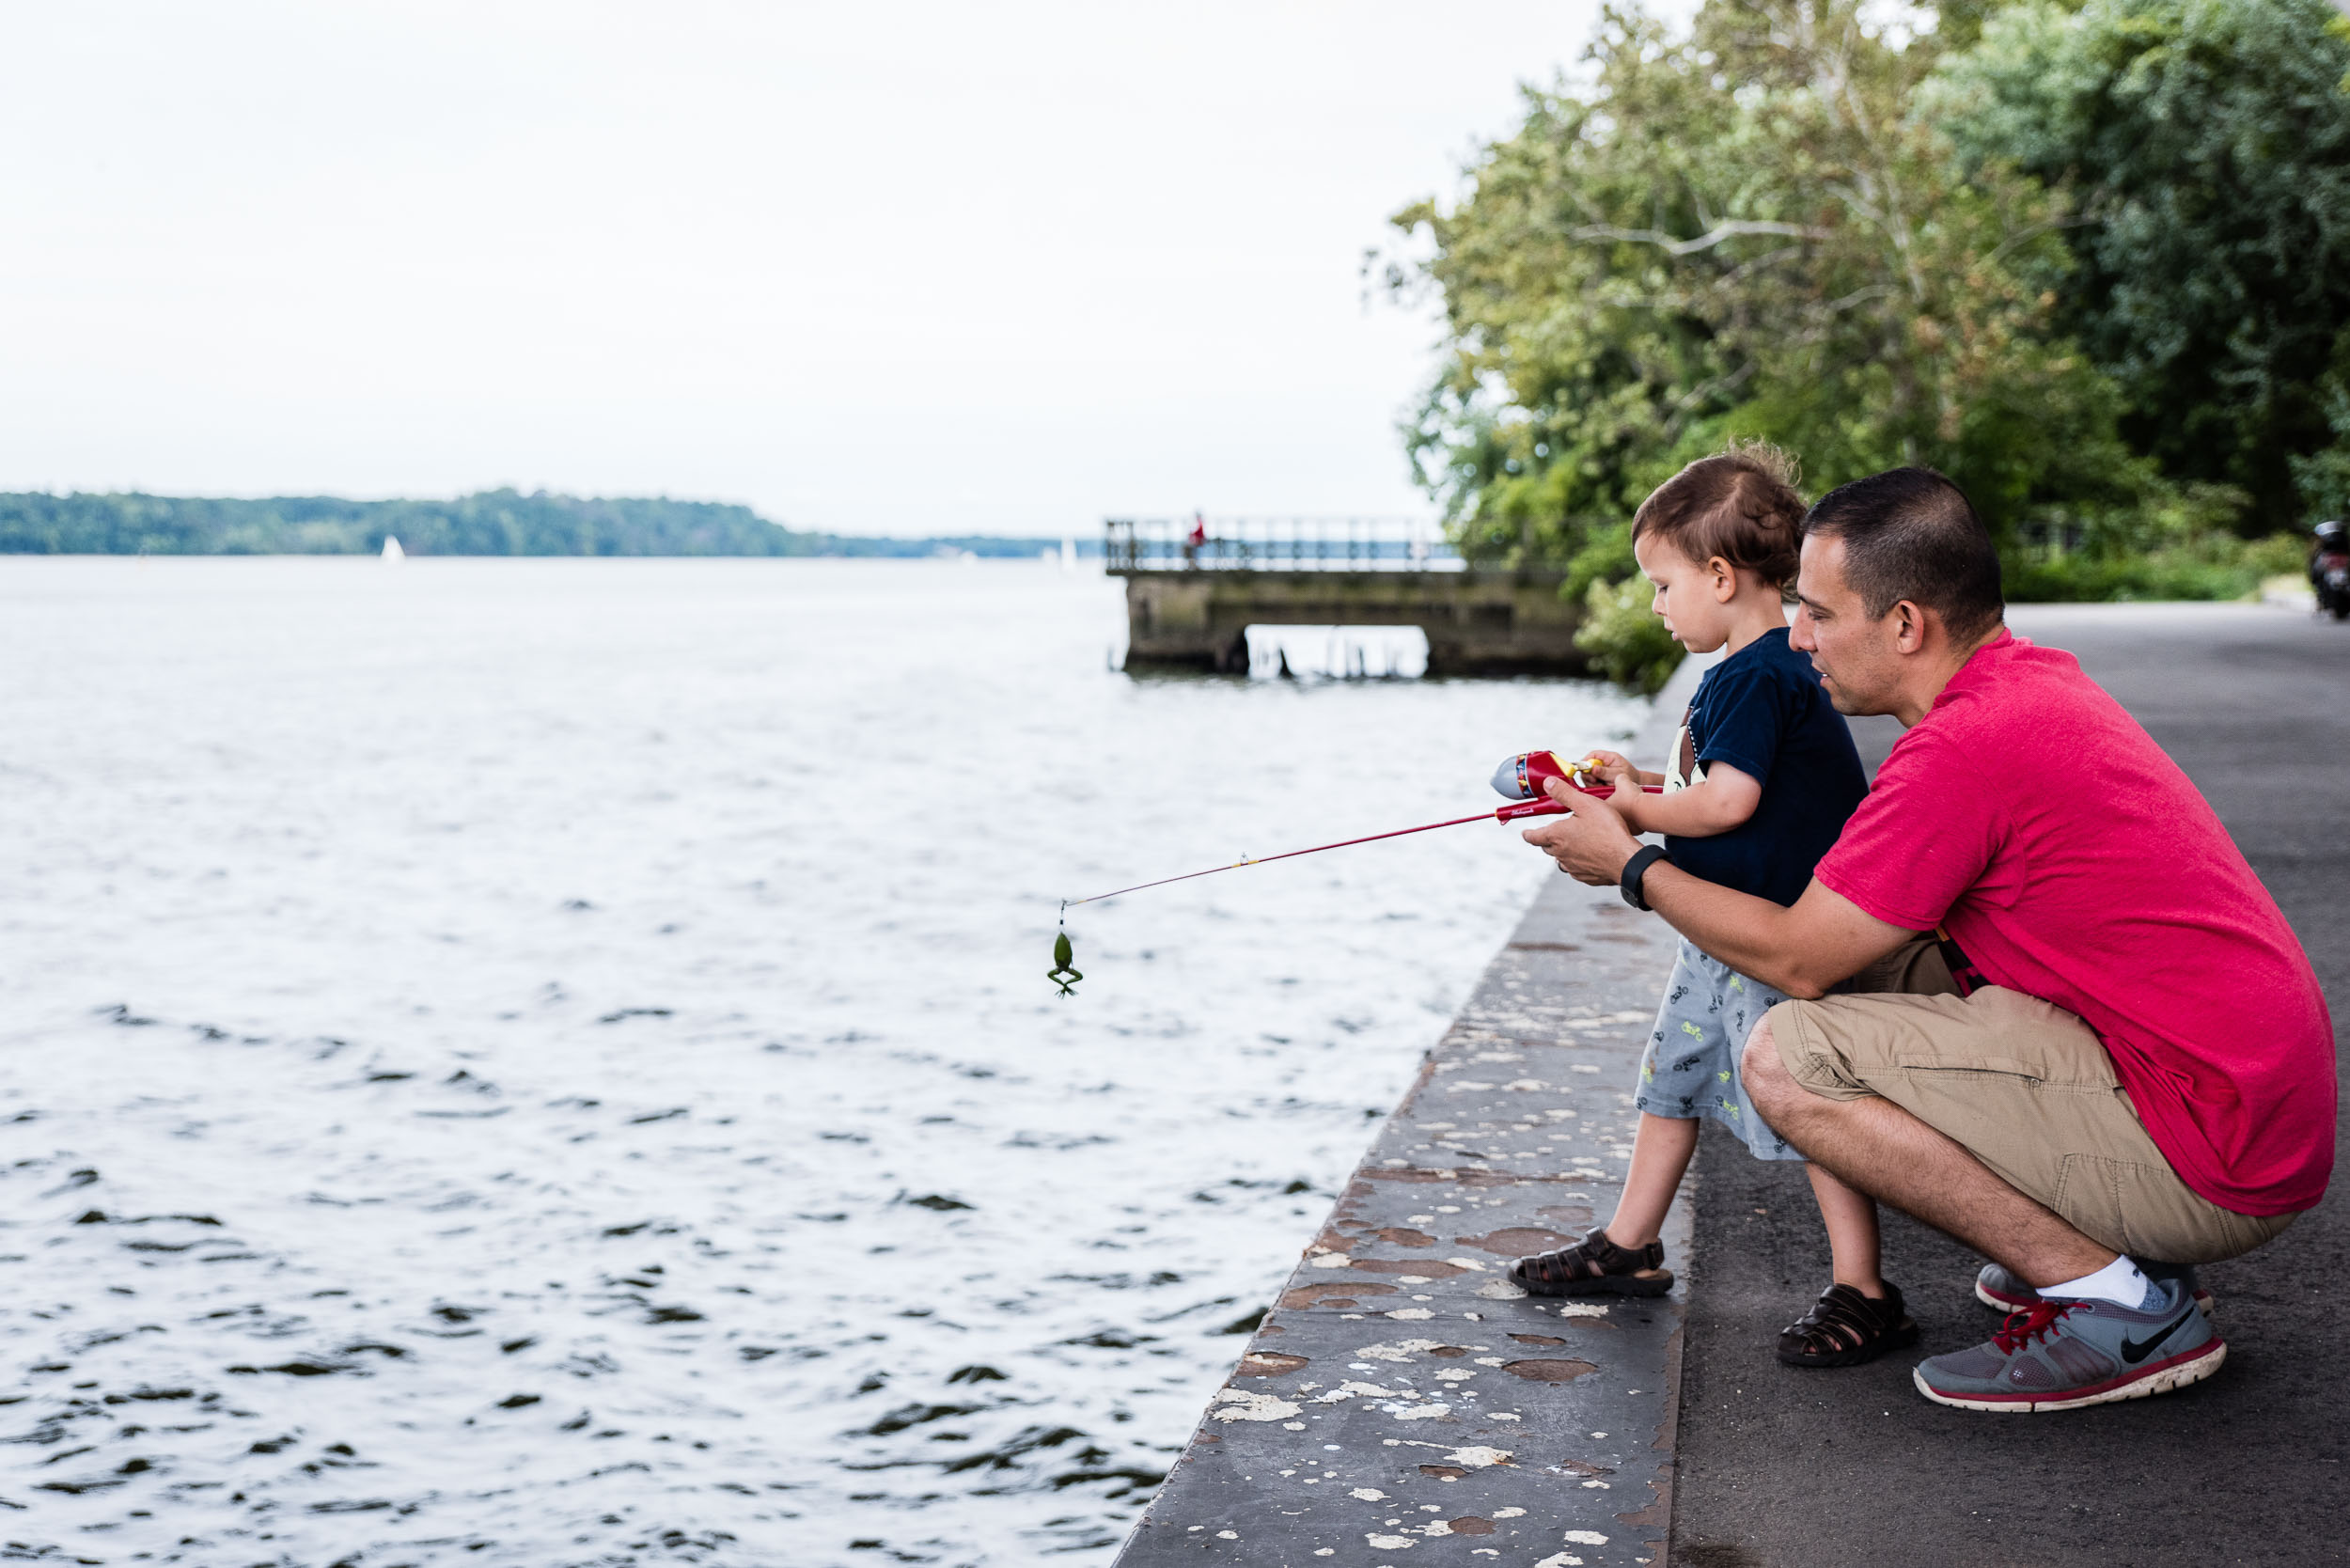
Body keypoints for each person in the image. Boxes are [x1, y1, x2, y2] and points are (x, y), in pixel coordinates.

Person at [1523, 467, 2334, 1412]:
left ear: (1906, 625)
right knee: (1871, 970)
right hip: (2234, 1101)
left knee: (1789, 1053)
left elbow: (1794, 958)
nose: (1796, 635)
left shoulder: (1961, 753)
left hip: (2219, 1152)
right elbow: (1846, 940)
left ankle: (2117, 1304)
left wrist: (1627, 865)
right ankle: (2108, 1254)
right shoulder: (2023, 689)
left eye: (1819, 614)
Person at [1506, 445, 1902, 1369]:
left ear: (1719, 576)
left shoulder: (1747, 676)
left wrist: (1626, 813)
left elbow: (1727, 804)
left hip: (1768, 931)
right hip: (1731, 920)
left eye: (1660, 583)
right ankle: (1630, 1244)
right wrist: (1641, 779)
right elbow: (1717, 781)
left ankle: (1866, 1287)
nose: (1653, 605)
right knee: (1672, 1076)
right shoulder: (1767, 667)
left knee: (1809, 1104)